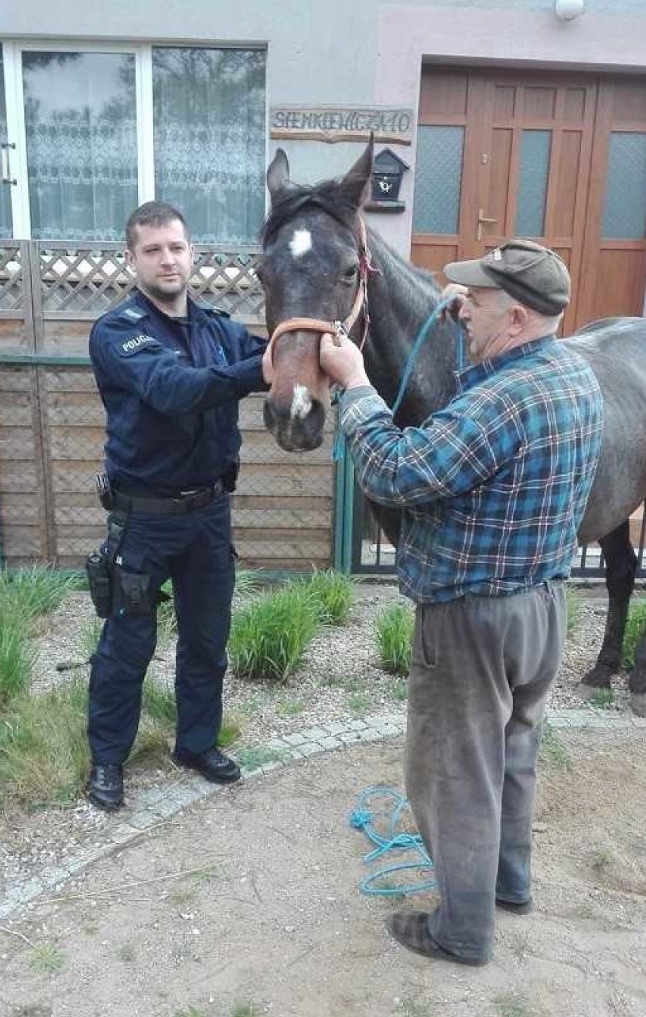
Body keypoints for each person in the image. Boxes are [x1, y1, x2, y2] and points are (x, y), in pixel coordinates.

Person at [315, 240, 604, 966]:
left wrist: (355, 385)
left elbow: (398, 471)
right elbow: (498, 412)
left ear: (515, 317)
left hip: (472, 620)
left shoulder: (500, 401)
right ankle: (506, 886)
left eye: (476, 298)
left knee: (452, 774)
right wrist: (459, 326)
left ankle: (462, 930)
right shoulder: (571, 374)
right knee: (511, 758)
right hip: (541, 611)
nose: (461, 302)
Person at [85, 201, 267, 811]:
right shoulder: (120, 330)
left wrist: (311, 340)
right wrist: (262, 369)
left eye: (177, 248)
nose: (168, 259)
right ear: (132, 258)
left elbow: (274, 353)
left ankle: (196, 744)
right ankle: (108, 758)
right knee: (127, 647)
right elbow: (175, 389)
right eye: (153, 249)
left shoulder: (220, 329)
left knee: (207, 642)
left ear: (194, 254)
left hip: (210, 517)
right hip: (145, 524)